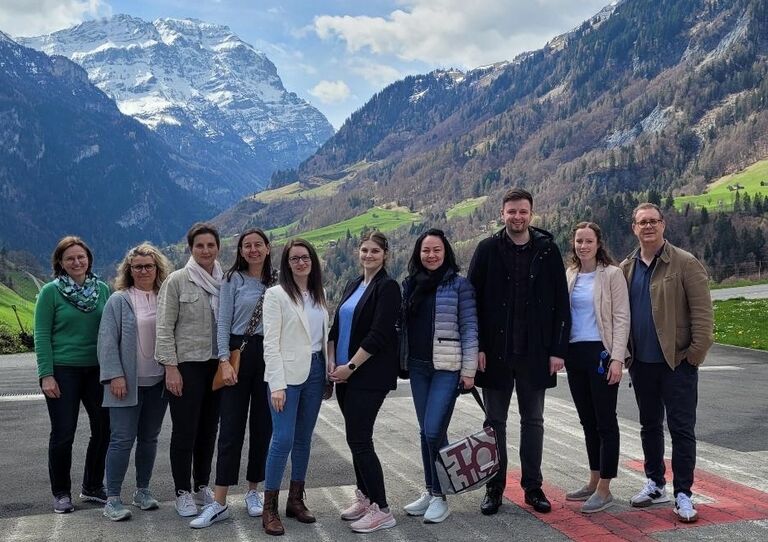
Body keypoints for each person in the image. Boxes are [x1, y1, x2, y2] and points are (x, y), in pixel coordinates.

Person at [468, 187, 570, 515]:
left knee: (534, 421)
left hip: (536, 353)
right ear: (502, 214)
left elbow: (560, 304)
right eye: (511, 211)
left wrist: (557, 350)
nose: (517, 217)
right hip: (496, 353)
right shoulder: (486, 250)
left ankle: (533, 487)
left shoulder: (547, 250)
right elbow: (472, 303)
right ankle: (494, 488)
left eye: (523, 211)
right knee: (494, 421)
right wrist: (479, 347)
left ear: (531, 213)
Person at [620, 203, 713, 523]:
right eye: (641, 222)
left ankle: (683, 493)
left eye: (653, 221)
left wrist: (693, 357)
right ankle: (655, 482)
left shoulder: (685, 263)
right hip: (642, 364)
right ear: (634, 228)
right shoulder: (626, 268)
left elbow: (703, 316)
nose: (648, 227)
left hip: (677, 364)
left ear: (663, 225)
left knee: (682, 429)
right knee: (649, 426)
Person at [190, 228, 277, 529]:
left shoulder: (279, 281)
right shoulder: (232, 280)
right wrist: (224, 360)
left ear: (268, 247)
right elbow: (223, 323)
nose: (252, 250)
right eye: (246, 246)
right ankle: (220, 501)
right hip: (238, 353)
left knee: (263, 427)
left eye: (257, 245)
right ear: (240, 251)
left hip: (270, 355)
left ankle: (254, 491)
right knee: (230, 429)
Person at [400, 228, 478, 524]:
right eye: (425, 251)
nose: (431, 255)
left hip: (448, 368)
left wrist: (468, 371)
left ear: (446, 253)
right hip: (419, 367)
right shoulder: (410, 285)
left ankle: (441, 498)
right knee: (425, 431)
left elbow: (470, 328)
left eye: (436, 250)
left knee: (433, 431)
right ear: (418, 254)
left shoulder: (459, 286)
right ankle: (432, 490)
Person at [327, 231, 401, 533]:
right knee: (354, 438)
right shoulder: (352, 284)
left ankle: (382, 508)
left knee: (360, 439)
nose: (368, 255)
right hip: (344, 373)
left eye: (375, 251)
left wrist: (351, 366)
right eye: (364, 250)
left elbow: (379, 334)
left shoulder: (388, 288)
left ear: (385, 255)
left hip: (368, 377)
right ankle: (365, 496)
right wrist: (333, 361)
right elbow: (335, 328)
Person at [34, 235, 111, 514]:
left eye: (81, 257)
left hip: (98, 370)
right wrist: (46, 374)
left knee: (104, 428)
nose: (77, 262)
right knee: (64, 432)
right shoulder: (50, 292)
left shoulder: (102, 289)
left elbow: (112, 329)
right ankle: (61, 492)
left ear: (88, 259)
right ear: (61, 263)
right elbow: (41, 335)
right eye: (70, 258)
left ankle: (92, 485)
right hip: (63, 371)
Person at [97, 243, 172, 521]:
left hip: (158, 381)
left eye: (148, 266)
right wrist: (115, 375)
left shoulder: (165, 295)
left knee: (149, 438)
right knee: (121, 440)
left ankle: (142, 491)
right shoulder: (119, 299)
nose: (143, 271)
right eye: (137, 266)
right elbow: (106, 341)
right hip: (125, 383)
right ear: (129, 270)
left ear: (157, 268)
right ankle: (113, 498)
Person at [261, 239, 329, 536]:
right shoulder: (275, 295)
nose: (300, 262)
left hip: (315, 370)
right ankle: (270, 508)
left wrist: (327, 369)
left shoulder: (319, 293)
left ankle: (296, 500)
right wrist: (276, 384)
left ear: (312, 261)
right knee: (283, 439)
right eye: (294, 259)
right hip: (286, 376)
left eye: (305, 257)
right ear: (287, 264)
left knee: (303, 439)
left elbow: (323, 337)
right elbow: (270, 343)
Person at [155, 223, 224, 518]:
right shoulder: (177, 281)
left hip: (217, 365)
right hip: (186, 366)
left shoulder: (226, 280)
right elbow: (164, 327)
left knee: (209, 430)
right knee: (185, 431)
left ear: (218, 247)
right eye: (200, 246)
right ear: (191, 249)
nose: (206, 251)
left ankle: (202, 486)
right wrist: (171, 368)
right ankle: (182, 491)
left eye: (210, 245)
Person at [563, 223, 630, 513]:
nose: (583, 246)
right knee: (587, 421)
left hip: (601, 353)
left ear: (598, 243)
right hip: (575, 354)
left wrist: (617, 358)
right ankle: (592, 480)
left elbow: (621, 318)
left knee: (606, 421)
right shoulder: (570, 275)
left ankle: (605, 487)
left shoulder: (612, 275)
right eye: (579, 241)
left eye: (589, 241)